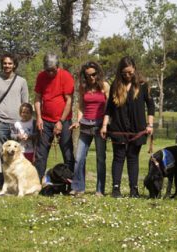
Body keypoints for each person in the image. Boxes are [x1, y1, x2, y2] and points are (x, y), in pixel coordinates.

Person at [100, 56, 154, 198]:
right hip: (118, 127)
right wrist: (104, 125)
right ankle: (116, 189)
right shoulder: (115, 86)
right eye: (124, 73)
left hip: (137, 128)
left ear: (134, 69)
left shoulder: (142, 85)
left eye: (130, 72)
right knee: (118, 157)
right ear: (120, 72)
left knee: (132, 157)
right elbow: (109, 108)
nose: (128, 75)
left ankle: (133, 189)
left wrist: (150, 124)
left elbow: (151, 105)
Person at [69, 61, 109, 196]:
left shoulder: (104, 86)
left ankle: (100, 189)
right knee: (79, 158)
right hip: (85, 125)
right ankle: (78, 187)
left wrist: (105, 125)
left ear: (98, 73)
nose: (91, 78)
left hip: (99, 126)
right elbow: (81, 106)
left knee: (100, 158)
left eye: (93, 74)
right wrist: (78, 121)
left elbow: (109, 108)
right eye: (88, 75)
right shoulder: (83, 87)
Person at [0, 53, 29, 188]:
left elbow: (25, 103)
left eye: (10, 63)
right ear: (2, 64)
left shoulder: (21, 81)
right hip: (0, 122)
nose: (7, 66)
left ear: (14, 65)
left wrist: (25, 122)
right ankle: (3, 182)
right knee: (2, 154)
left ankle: (18, 182)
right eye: (5, 63)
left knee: (18, 154)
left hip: (17, 123)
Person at [34, 53, 75, 179]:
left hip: (64, 120)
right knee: (41, 153)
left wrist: (60, 122)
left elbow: (69, 100)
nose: (50, 73)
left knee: (67, 152)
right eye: (48, 70)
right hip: (45, 120)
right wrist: (39, 118)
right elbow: (37, 98)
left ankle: (69, 181)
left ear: (57, 67)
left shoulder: (66, 76)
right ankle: (37, 181)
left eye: (52, 70)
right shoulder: (41, 76)